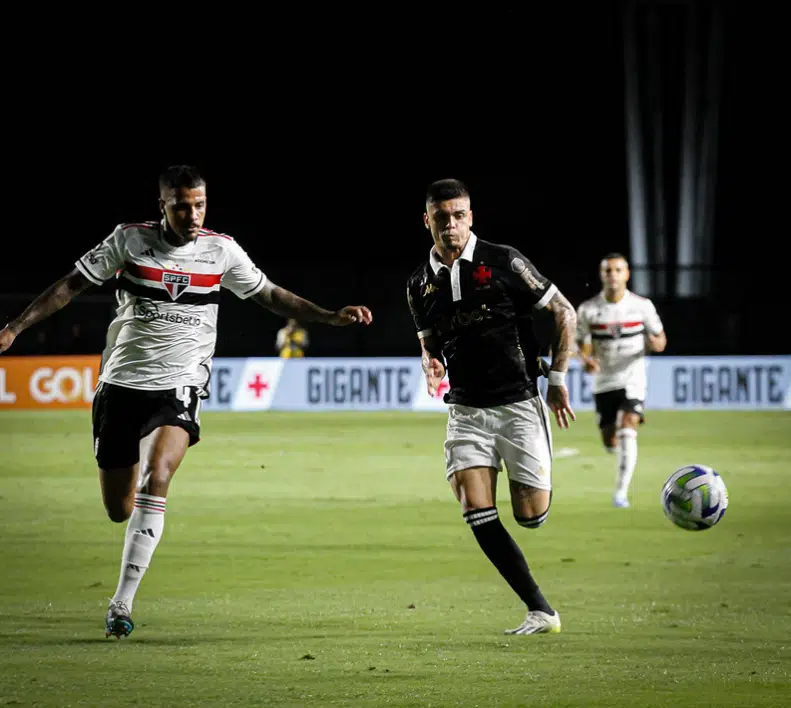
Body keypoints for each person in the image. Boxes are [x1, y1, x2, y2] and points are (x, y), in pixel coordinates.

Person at [0, 165, 373, 639]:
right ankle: (131, 533)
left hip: (180, 385)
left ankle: (121, 602)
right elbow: (70, 286)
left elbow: (270, 294)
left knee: (159, 476)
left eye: (199, 204)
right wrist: (14, 328)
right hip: (121, 384)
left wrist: (327, 316)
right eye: (181, 205)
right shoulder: (128, 240)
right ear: (163, 205)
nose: (192, 214)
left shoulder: (221, 250)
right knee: (120, 507)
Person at [406, 178, 577, 636]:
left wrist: (557, 378)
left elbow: (564, 312)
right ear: (427, 221)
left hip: (519, 403)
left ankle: (533, 495)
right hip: (466, 410)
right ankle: (541, 610)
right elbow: (429, 345)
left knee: (531, 517)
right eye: (441, 217)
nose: (450, 225)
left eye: (458, 215)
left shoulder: (504, 261)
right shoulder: (419, 284)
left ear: (471, 217)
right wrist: (431, 366)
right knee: (474, 505)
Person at [575, 252, 666, 508]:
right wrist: (586, 360)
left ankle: (620, 493)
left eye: (617, 270)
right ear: (601, 275)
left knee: (627, 425)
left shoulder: (642, 306)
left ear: (627, 274)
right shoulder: (589, 309)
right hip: (603, 381)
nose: (612, 275)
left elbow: (661, 339)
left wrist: (654, 343)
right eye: (608, 271)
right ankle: (624, 452)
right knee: (610, 439)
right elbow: (579, 343)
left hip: (632, 379)